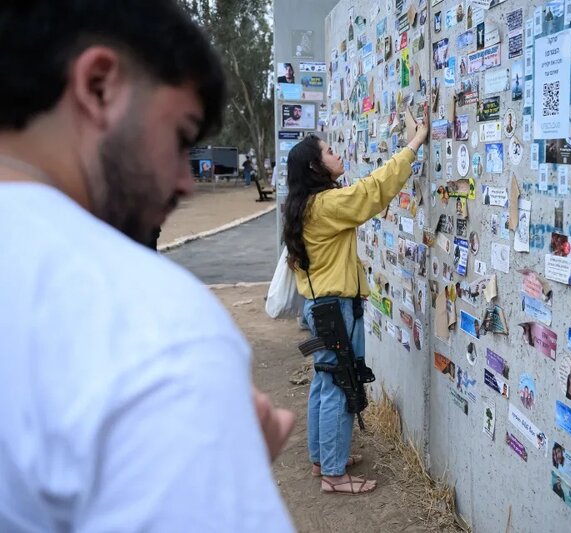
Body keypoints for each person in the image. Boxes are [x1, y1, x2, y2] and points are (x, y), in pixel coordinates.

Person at [0, 1, 295, 530]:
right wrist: (217, 478)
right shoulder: (151, 323)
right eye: (181, 137)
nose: (185, 181)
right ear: (98, 86)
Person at [283, 108, 429, 495]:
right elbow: (371, 192)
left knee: (325, 380)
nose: (337, 154)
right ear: (317, 166)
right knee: (339, 385)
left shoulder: (303, 207)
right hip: (336, 308)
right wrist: (414, 144)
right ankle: (333, 474)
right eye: (330, 151)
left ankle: (323, 459)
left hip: (320, 307)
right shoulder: (326, 206)